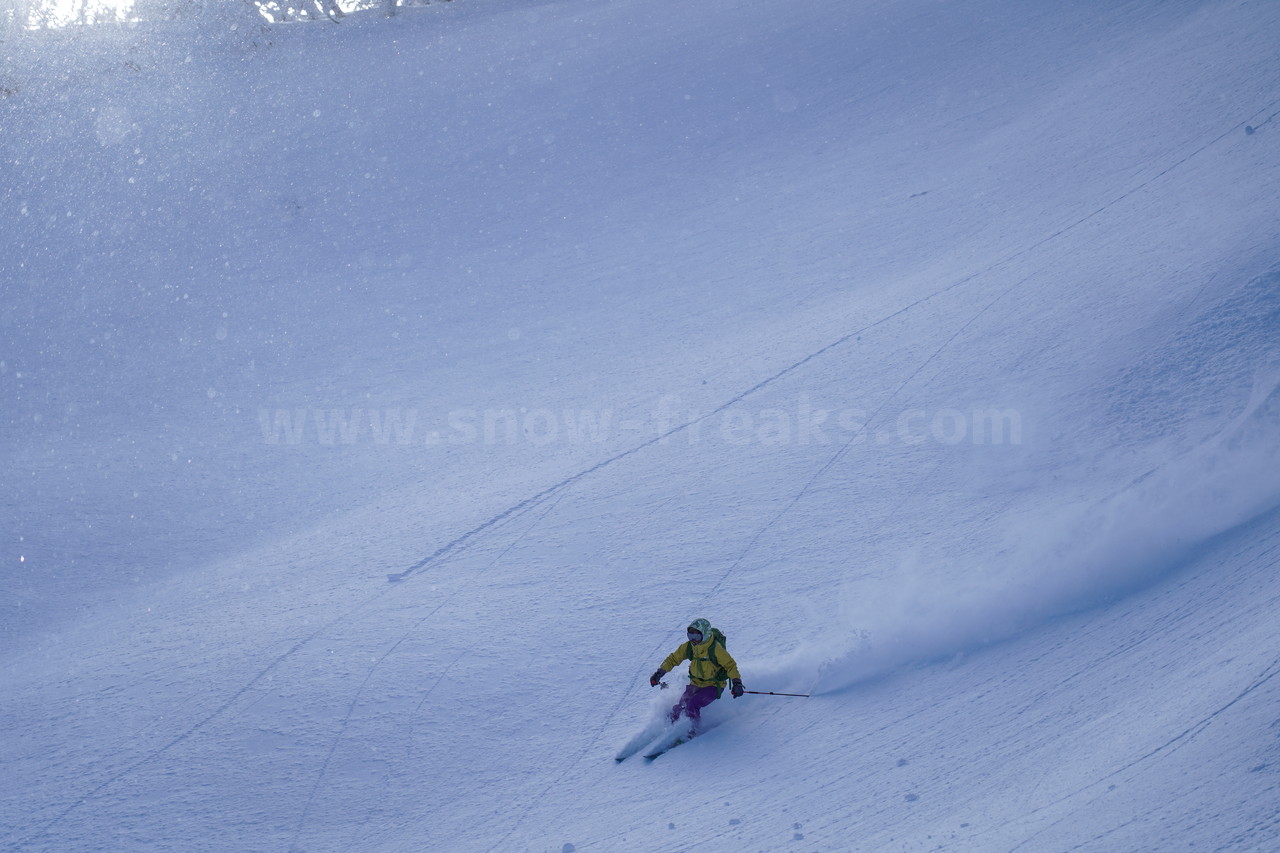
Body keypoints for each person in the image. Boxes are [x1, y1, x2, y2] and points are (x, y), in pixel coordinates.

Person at [649, 618, 745, 733]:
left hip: (714, 686)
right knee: (680, 706)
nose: (693, 640)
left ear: (705, 635)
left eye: (697, 637)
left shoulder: (715, 649)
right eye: (690, 636)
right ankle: (667, 729)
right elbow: (673, 659)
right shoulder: (689, 647)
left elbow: (730, 665)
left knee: (692, 704)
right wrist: (659, 673)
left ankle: (694, 730)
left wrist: (737, 683)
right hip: (695, 683)